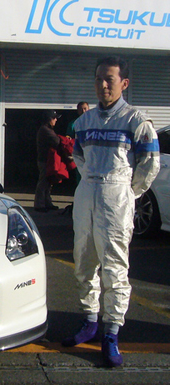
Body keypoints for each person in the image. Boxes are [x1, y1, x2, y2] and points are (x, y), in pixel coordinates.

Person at [62, 56, 160, 367]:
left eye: (110, 79)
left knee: (114, 267)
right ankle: (90, 321)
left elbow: (149, 165)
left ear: (124, 83)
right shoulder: (84, 122)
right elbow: (78, 156)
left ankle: (111, 332)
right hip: (87, 192)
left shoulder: (136, 121)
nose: (103, 85)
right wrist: (91, 181)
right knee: (83, 261)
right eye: (98, 79)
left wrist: (129, 192)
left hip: (116, 195)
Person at [33, 110, 61, 212]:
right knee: (43, 182)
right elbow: (57, 141)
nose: (56, 120)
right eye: (54, 118)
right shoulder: (45, 130)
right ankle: (39, 204)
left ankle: (47, 202)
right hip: (44, 160)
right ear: (49, 119)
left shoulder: (47, 129)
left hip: (48, 160)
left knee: (48, 182)